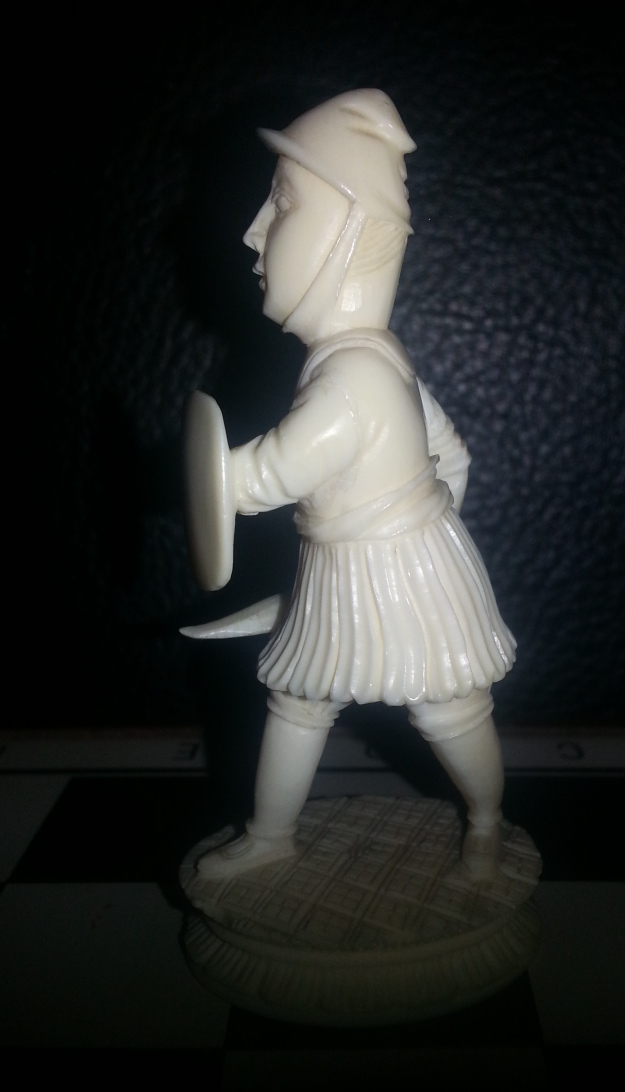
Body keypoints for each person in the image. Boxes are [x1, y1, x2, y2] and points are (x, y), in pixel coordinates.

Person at [194, 89, 516, 883]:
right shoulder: (376, 355)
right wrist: (429, 529)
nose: (254, 230)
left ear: (347, 229)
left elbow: (278, 470)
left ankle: (485, 824)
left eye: (282, 203)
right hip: (346, 565)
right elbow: (453, 453)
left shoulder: (353, 375)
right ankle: (272, 836)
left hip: (390, 567)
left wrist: (227, 481)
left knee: (444, 707)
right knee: (302, 700)